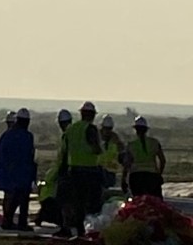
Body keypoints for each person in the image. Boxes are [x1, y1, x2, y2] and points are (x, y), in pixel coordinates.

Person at [56, 102, 107, 239]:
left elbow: (65, 153)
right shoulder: (90, 129)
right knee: (92, 203)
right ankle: (89, 229)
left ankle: (80, 230)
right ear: (91, 115)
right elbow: (96, 149)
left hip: (74, 171)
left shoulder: (71, 130)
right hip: (90, 171)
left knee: (77, 203)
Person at [0, 108, 38, 232]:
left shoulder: (7, 136)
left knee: (13, 198)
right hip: (22, 174)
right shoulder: (27, 136)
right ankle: (20, 222)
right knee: (22, 199)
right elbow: (30, 156)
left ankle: (8, 220)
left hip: (11, 173)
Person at [39, 110, 72, 231]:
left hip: (66, 172)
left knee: (63, 200)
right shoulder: (71, 134)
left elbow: (64, 156)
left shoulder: (68, 136)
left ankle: (64, 225)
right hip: (71, 170)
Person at [126, 116, 166, 198]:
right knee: (155, 201)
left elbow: (127, 163)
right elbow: (162, 160)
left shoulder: (131, 145)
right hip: (152, 176)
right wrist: (159, 174)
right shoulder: (154, 143)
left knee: (138, 201)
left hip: (136, 176)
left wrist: (124, 179)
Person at [99, 115, 127, 193]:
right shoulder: (96, 137)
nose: (107, 131)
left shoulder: (115, 138)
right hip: (98, 170)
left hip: (110, 172)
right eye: (106, 128)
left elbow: (122, 152)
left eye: (109, 129)